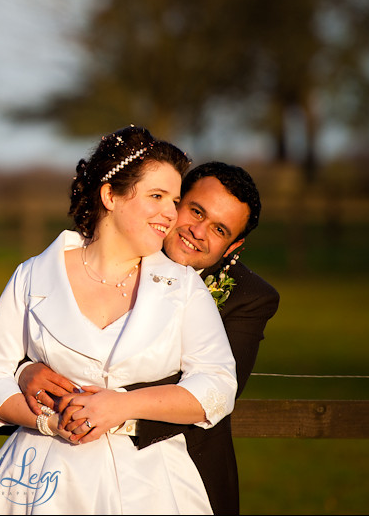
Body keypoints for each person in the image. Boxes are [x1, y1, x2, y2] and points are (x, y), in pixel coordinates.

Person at [0, 126, 238, 514]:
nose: (169, 213)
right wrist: (47, 421)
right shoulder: (32, 276)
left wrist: (122, 406)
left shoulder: (183, 288)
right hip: (41, 480)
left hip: (150, 485)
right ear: (110, 195)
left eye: (175, 200)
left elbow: (217, 385)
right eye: (156, 196)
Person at [17, 161, 280, 514]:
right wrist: (26, 369)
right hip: (67, 464)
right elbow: (53, 330)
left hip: (182, 468)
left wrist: (106, 404)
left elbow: (210, 388)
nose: (198, 231)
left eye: (219, 229)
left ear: (234, 247)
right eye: (195, 211)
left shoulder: (249, 297)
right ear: (174, 202)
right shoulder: (108, 255)